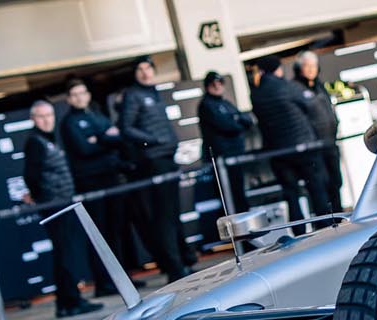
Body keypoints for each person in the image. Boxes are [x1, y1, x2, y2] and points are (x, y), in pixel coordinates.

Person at [113, 58, 190, 283]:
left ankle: (183, 262)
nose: (146, 73)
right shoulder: (134, 95)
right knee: (164, 218)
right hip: (155, 162)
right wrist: (154, 141)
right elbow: (126, 128)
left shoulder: (154, 92)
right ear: (135, 73)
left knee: (172, 215)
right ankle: (175, 268)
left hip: (167, 158)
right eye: (141, 69)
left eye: (149, 68)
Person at [21, 99, 99, 318]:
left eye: (49, 115)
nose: (47, 120)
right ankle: (70, 302)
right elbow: (31, 175)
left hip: (63, 203)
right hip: (55, 205)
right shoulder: (35, 142)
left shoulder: (48, 139)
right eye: (41, 116)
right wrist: (41, 197)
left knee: (67, 253)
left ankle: (68, 301)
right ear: (33, 119)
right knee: (65, 254)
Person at [59, 78, 126, 295]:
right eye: (75, 94)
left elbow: (118, 139)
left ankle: (121, 281)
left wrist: (99, 139)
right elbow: (84, 150)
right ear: (69, 99)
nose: (80, 97)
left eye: (83, 93)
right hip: (89, 182)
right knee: (99, 234)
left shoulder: (96, 115)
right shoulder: (69, 123)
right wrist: (104, 138)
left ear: (88, 94)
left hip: (110, 178)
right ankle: (104, 283)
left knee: (114, 231)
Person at [248, 55, 334, 221]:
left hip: (278, 151)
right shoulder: (287, 86)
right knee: (316, 188)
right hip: (304, 147)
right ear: (277, 69)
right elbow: (308, 105)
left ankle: (299, 231)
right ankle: (325, 225)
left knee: (290, 194)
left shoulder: (256, 93)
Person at [294, 50, 345, 218]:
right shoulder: (295, 89)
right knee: (321, 186)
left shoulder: (319, 86)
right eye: (307, 66)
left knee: (336, 181)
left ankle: (338, 215)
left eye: (313, 66)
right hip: (314, 147)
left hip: (330, 142)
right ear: (299, 68)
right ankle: (325, 220)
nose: (310, 69)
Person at [196, 70, 255, 214]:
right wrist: (236, 120)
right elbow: (226, 125)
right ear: (207, 86)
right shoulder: (206, 105)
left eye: (220, 82)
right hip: (223, 156)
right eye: (213, 84)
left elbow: (247, 120)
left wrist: (236, 120)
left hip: (235, 153)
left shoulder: (225, 102)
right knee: (229, 194)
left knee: (239, 190)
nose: (217, 86)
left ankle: (244, 219)